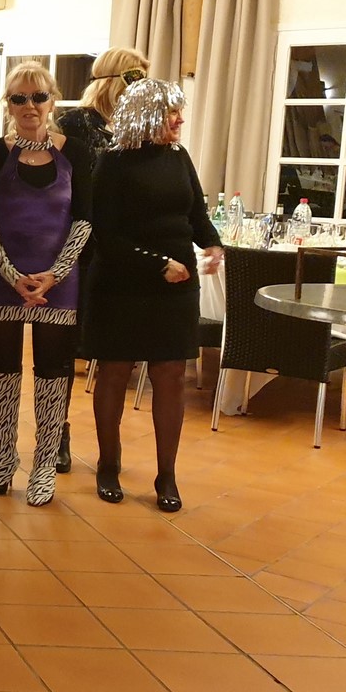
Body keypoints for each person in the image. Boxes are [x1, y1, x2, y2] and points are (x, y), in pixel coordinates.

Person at [84, 79, 221, 512]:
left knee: (171, 375)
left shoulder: (178, 156)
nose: (180, 120)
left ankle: (167, 475)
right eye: (171, 112)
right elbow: (103, 234)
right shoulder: (112, 162)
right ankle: (108, 464)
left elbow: (196, 213)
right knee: (115, 372)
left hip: (176, 284)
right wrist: (157, 264)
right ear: (145, 115)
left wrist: (213, 244)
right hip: (122, 282)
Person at [0, 61, 92, 506]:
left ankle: (44, 464)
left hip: (58, 280)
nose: (30, 106)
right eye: (19, 98)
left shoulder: (77, 152)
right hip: (2, 278)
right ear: (8, 104)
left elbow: (84, 219)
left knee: (53, 370)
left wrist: (54, 275)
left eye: (38, 97)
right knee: (4, 368)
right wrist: (11, 274)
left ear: (52, 101)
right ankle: (3, 457)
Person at [53, 46, 149, 472]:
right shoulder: (75, 123)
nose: (139, 87)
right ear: (112, 80)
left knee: (109, 355)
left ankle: (109, 449)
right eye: (133, 77)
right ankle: (56, 433)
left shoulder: (134, 130)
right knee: (62, 352)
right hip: (77, 252)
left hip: (117, 255)